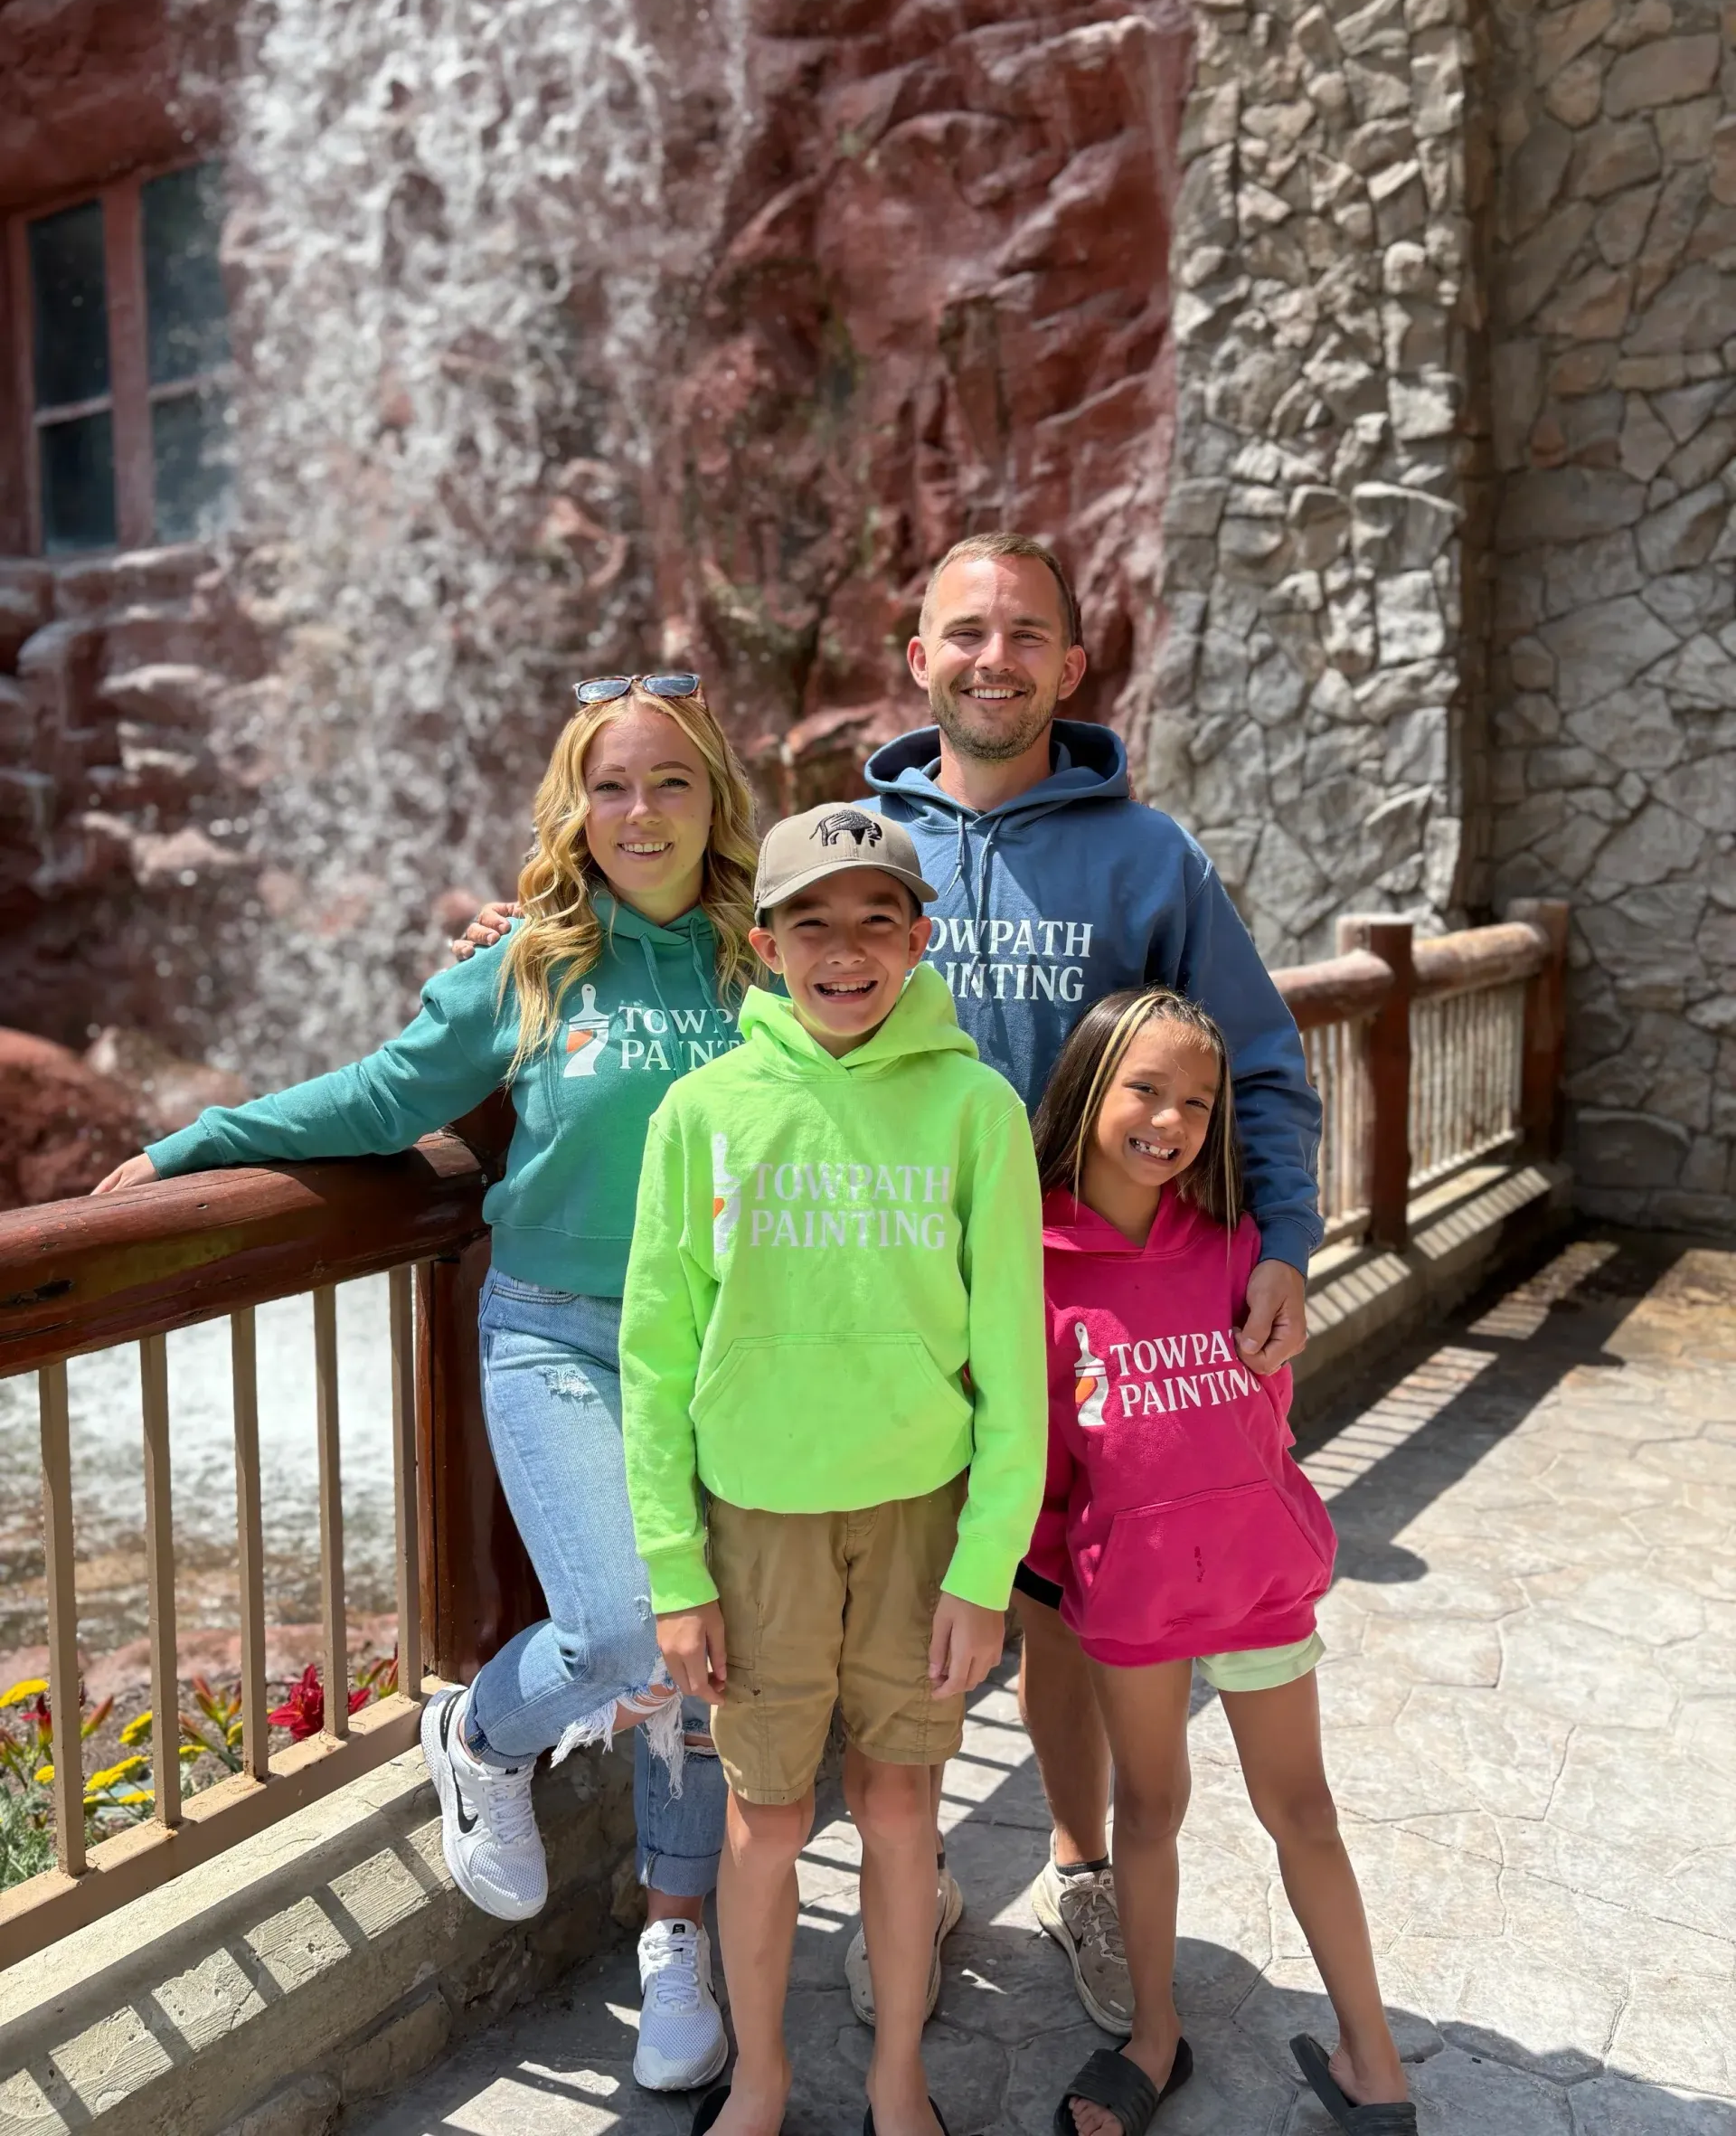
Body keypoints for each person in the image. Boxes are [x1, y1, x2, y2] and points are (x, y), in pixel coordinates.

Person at [454, 530, 1324, 2033]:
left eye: (1026, 632)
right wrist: (520, 937)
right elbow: (694, 907)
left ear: (1069, 660)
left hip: (1085, 1296)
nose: (994, 656)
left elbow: (1252, 1058)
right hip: (874, 1303)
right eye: (963, 632)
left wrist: (1290, 1245)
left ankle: (1079, 1863)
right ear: (916, 660)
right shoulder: (857, 834)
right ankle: (903, 1885)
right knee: (867, 1615)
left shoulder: (1144, 855)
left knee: (1058, 1598)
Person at [93, 675, 763, 2096]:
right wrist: (192, 1145)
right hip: (553, 1336)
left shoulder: (756, 971)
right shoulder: (528, 962)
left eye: (670, 783)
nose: (640, 812)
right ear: (577, 813)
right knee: (633, 1628)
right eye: (613, 785)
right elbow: (385, 1099)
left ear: (718, 804)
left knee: (703, 1671)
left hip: (718, 1361)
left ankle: (676, 1941)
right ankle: (478, 1731)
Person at [618, 804, 1048, 2136]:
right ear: (765, 943)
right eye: (814, 922)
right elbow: (653, 1350)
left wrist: (988, 1571)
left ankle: (896, 2077)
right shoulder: (702, 1111)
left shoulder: (977, 1108)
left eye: (878, 923)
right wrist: (674, 1571)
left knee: (903, 1801)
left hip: (923, 1523)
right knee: (764, 1813)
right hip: (755, 1526)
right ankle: (760, 2077)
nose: (846, 952)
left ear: (923, 940)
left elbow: (1015, 1370)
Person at [1027, 987, 1411, 2136]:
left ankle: (1372, 2056)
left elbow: (1267, 1420)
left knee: (1306, 1809)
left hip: (1257, 1585)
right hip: (1132, 1601)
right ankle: (1154, 2037)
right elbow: (1042, 1461)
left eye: (1198, 1099)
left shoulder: (1247, 1248)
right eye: (1145, 1088)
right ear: (1088, 1089)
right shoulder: (1033, 1266)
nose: (1171, 1118)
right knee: (1148, 1809)